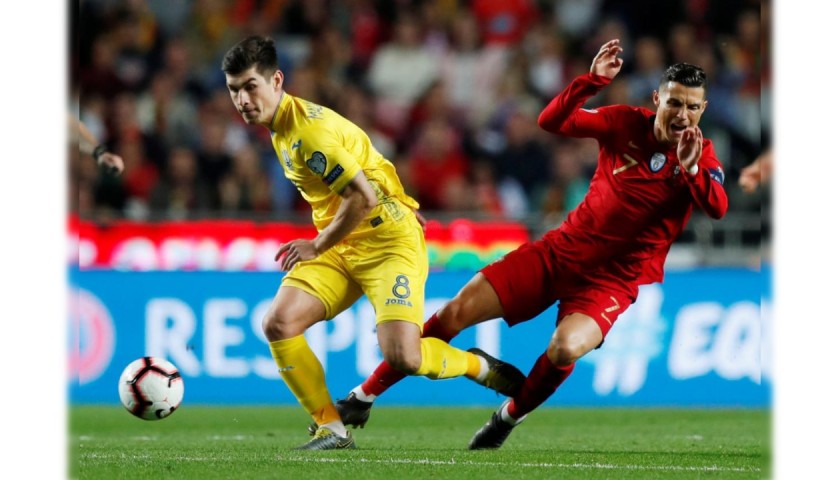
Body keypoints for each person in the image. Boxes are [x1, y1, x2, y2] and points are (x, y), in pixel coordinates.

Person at [327, 38, 729, 449]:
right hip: (559, 252)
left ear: (703, 110)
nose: (682, 115)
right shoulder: (624, 122)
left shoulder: (702, 156)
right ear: (657, 97)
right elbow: (552, 122)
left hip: (611, 282)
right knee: (455, 312)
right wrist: (589, 82)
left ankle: (507, 417)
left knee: (564, 348)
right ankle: (363, 396)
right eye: (674, 103)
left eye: (692, 107)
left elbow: (718, 208)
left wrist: (693, 167)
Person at [220, 36, 525, 451]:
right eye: (234, 89)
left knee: (404, 357)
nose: (242, 99)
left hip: (385, 242)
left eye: (250, 86)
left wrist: (320, 242)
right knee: (278, 323)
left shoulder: (306, 133)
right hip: (343, 243)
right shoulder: (282, 126)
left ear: (276, 80)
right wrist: (392, 194)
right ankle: (332, 427)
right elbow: (364, 154)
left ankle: (477, 365)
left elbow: (360, 197)